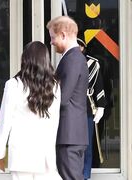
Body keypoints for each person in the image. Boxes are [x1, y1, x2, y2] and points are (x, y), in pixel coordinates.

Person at [0, 41, 61, 180]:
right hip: (45, 157)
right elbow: (54, 124)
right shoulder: (54, 86)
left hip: (20, 156)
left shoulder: (13, 85)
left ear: (25, 59)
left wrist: (0, 154)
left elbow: (4, 122)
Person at [46, 16, 89, 180]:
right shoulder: (73, 58)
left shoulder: (72, 59)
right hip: (72, 134)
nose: (51, 42)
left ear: (63, 35)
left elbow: (62, 97)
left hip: (69, 135)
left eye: (52, 37)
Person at [77, 38, 106, 180]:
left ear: (83, 46)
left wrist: (101, 106)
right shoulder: (66, 61)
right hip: (70, 107)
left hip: (87, 106)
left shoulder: (93, 63)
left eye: (79, 45)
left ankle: (86, 175)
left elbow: (99, 85)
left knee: (87, 144)